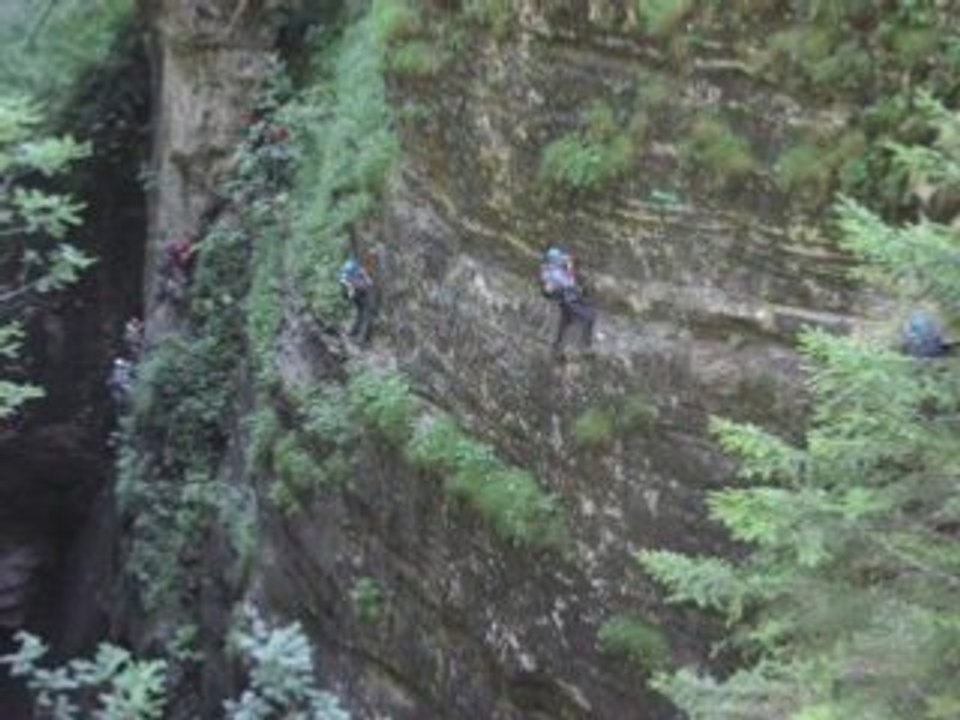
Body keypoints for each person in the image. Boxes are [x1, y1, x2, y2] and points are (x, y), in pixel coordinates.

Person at [540, 245, 595, 356]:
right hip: (567, 299)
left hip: (566, 299)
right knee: (589, 317)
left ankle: (558, 345)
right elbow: (568, 283)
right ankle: (585, 344)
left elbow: (569, 282)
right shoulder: (553, 272)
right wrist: (570, 269)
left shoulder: (551, 270)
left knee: (565, 322)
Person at [339, 256, 375, 344]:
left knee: (360, 313)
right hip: (360, 294)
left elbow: (343, 280)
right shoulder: (357, 269)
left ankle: (353, 333)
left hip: (353, 295)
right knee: (365, 314)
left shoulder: (347, 268)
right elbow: (370, 283)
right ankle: (360, 338)